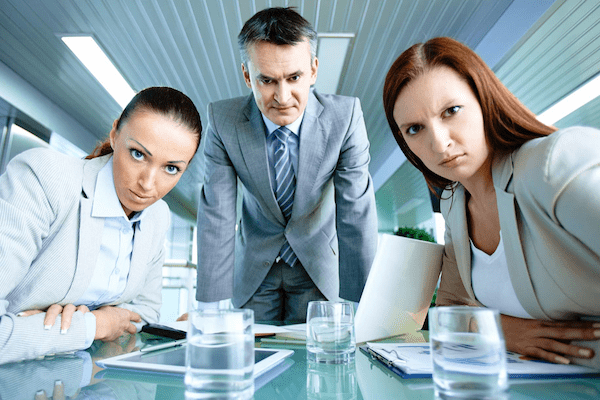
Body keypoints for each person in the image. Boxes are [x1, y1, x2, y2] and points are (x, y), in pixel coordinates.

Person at [383, 37, 600, 365]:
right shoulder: (453, 204)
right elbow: (450, 312)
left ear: (484, 100)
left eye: (451, 111)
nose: (440, 144)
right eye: (415, 129)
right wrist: (500, 329)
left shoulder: (552, 165)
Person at [195, 7, 378, 323]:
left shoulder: (345, 118)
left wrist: (363, 305)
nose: (282, 97)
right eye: (266, 80)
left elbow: (355, 214)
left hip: (318, 268)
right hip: (253, 269)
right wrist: (210, 310)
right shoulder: (223, 121)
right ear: (247, 76)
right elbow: (217, 215)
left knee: (317, 364)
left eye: (294, 78)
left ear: (314, 71)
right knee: (248, 363)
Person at [0, 86, 201, 365]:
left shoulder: (157, 216)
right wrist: (93, 325)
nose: (148, 184)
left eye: (171, 168)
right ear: (115, 133)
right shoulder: (43, 178)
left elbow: (142, 317)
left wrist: (79, 324)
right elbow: (111, 324)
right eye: (138, 154)